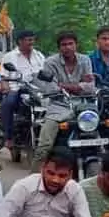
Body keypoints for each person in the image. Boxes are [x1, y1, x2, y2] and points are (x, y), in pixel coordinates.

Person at [30, 31, 96, 170]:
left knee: (102, 135)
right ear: (59, 47)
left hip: (83, 106)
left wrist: (65, 86)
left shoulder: (85, 60)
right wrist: (79, 86)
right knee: (45, 145)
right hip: (58, 106)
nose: (67, 47)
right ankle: (34, 179)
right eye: (63, 44)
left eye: (70, 44)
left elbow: (90, 87)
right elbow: (52, 89)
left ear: (76, 45)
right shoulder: (50, 62)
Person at [0, 30, 46, 150]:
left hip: (37, 89)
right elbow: (4, 77)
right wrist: (6, 86)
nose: (32, 42)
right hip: (17, 88)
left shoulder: (39, 55)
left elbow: (46, 73)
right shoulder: (9, 56)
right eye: (29, 40)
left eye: (33, 40)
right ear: (20, 41)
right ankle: (9, 137)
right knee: (7, 103)